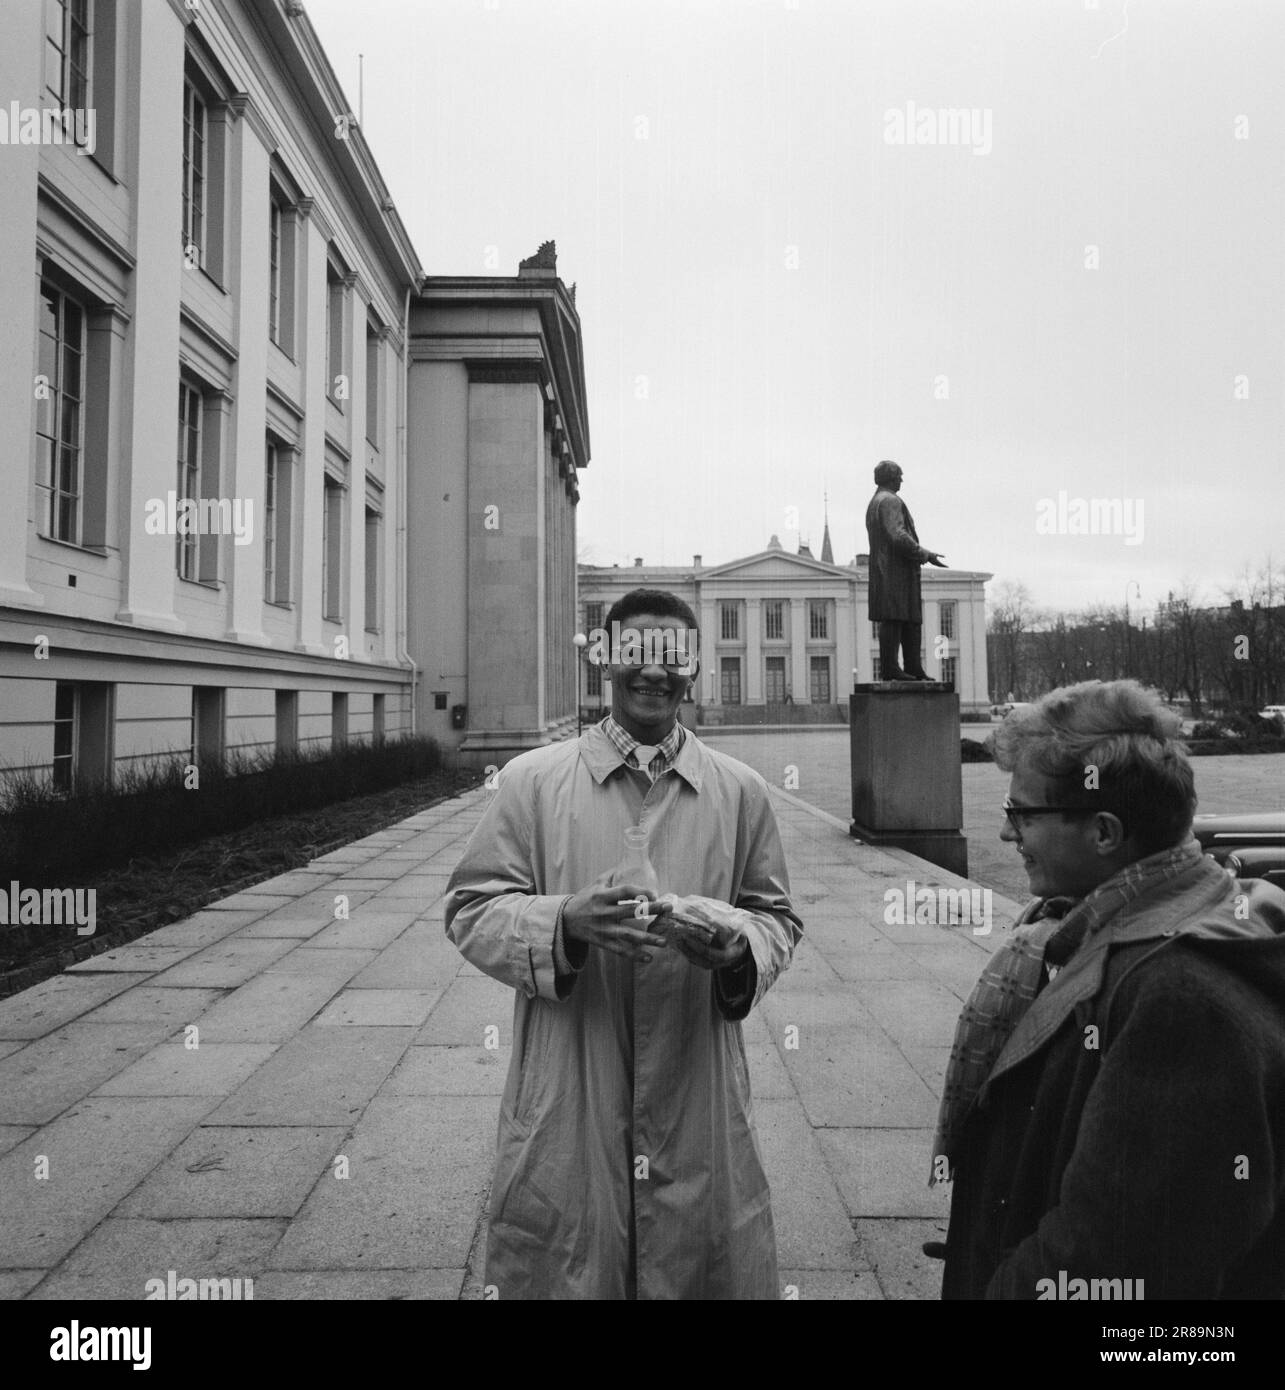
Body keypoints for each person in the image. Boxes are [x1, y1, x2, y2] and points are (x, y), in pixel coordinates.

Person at [445, 587, 803, 1299]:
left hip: (694, 1076)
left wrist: (738, 950)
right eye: (635, 650)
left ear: (694, 666)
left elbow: (776, 917)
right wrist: (564, 922)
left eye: (672, 654)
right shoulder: (531, 782)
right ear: (605, 658)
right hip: (571, 1079)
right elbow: (471, 909)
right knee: (571, 1258)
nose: (653, 670)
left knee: (699, 1261)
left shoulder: (739, 791)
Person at [931, 679, 1285, 1299]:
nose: (1009, 834)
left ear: (1103, 832)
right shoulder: (1125, 929)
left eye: (1023, 814)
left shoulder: (1179, 1000)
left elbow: (1112, 1258)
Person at [864, 460, 947, 681]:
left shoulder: (876, 502)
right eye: (899, 475)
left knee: (909, 619)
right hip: (894, 572)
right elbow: (898, 535)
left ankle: (912, 667)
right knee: (894, 618)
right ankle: (891, 669)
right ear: (890, 477)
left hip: (891, 571)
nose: (901, 479)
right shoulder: (889, 501)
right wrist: (924, 553)